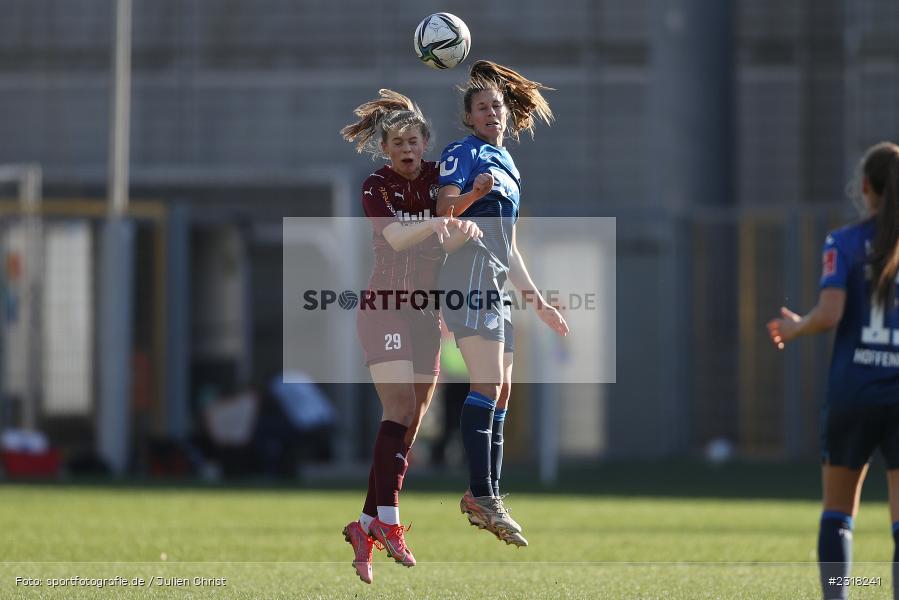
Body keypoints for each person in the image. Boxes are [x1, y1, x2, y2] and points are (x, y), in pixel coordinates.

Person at [339, 89, 482, 584]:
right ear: (385, 148)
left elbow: (449, 224)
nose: (407, 148)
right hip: (385, 310)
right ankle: (392, 524)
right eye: (398, 141)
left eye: (414, 140)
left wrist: (469, 212)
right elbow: (398, 236)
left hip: (425, 315)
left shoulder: (437, 177)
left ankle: (364, 526)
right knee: (398, 408)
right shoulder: (375, 185)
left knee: (411, 424)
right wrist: (446, 221)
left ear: (425, 144)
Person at [436, 61, 570, 548]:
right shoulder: (462, 153)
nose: (492, 112)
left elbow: (509, 244)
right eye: (482, 107)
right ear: (469, 118)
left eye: (497, 105)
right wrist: (472, 194)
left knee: (504, 390)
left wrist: (537, 301)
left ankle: (486, 494)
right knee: (487, 383)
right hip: (465, 272)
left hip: (494, 278)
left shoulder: (509, 165)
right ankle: (481, 494)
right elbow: (443, 212)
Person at [766, 142, 899, 600]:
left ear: (865, 187)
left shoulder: (843, 243)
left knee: (838, 513)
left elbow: (830, 312)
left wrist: (795, 327)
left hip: (854, 392)